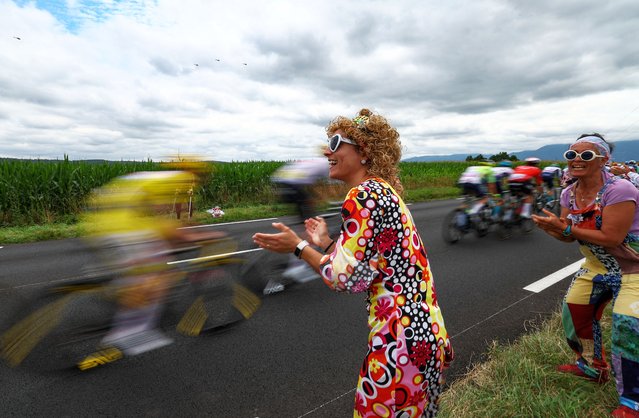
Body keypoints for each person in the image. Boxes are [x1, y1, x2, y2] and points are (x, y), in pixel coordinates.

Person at [253, 108, 453, 417]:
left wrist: (298, 247)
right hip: (426, 335)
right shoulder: (383, 192)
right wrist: (326, 243)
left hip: (398, 343)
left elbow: (342, 279)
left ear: (364, 151)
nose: (328, 151)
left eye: (335, 142)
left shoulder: (361, 195)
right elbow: (368, 269)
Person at [531, 133, 639, 417]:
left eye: (586, 155)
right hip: (595, 267)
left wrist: (565, 229)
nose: (577, 160)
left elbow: (612, 236)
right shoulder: (569, 192)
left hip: (633, 269)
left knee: (628, 328)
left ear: (604, 159)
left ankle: (632, 402)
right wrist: (554, 229)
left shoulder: (621, 189)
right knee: (574, 312)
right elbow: (569, 236)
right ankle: (592, 367)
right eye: (571, 155)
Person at [79, 158, 218, 368]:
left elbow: (180, 219)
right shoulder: (181, 181)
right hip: (126, 229)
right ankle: (129, 333)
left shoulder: (162, 179)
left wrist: (193, 231)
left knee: (149, 262)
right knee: (157, 274)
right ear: (195, 173)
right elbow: (168, 225)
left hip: (102, 222)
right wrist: (196, 238)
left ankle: (123, 288)